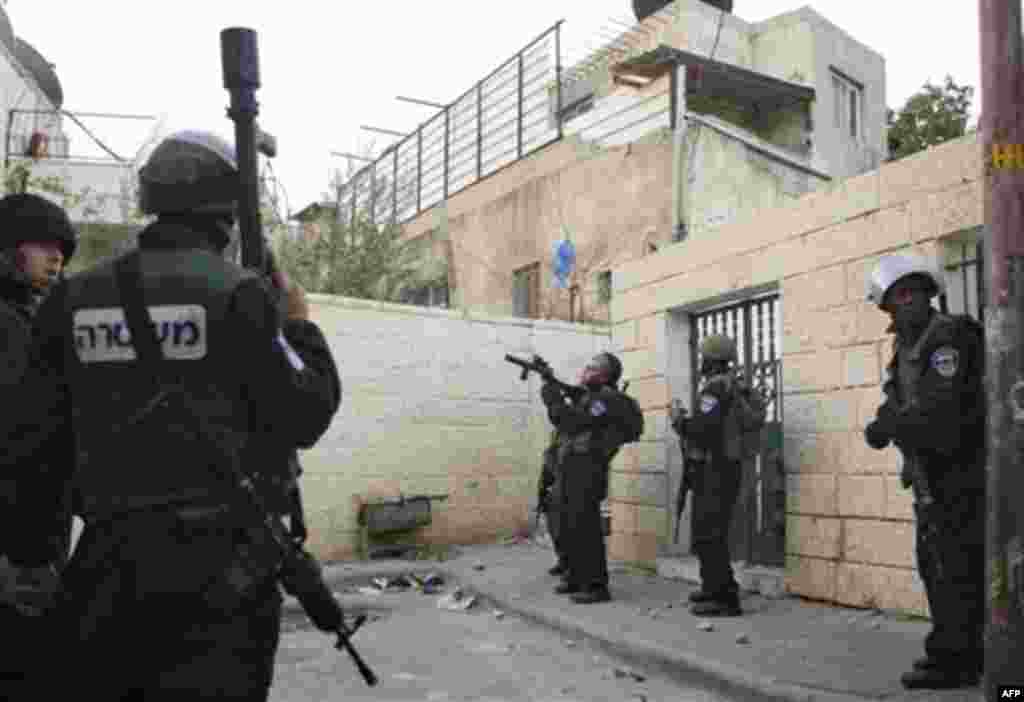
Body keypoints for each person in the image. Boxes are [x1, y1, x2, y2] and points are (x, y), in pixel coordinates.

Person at [3, 129, 342, 701]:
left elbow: (36, 446)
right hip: (223, 579)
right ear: (227, 212)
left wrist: (34, 564)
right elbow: (304, 414)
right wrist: (300, 324)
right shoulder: (240, 294)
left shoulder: (71, 299)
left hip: (109, 570)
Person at [863, 253, 985, 690]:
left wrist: (892, 424)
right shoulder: (906, 349)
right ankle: (960, 650)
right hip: (930, 474)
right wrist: (880, 422)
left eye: (915, 293)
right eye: (900, 295)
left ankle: (956, 658)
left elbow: (940, 407)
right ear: (889, 306)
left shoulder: (947, 338)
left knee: (955, 566)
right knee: (937, 564)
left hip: (962, 472)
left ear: (928, 296)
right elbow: (899, 402)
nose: (908, 302)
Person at [0, 192, 76, 700]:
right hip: (18, 547)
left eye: (63, 250)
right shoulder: (10, 326)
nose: (57, 258)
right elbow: (23, 439)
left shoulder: (33, 319)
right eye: (45, 245)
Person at [670, 334, 766, 617]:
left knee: (709, 533)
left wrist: (679, 422)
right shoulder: (731, 386)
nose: (701, 360)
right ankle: (715, 587)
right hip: (725, 468)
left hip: (714, 470)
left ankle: (724, 599)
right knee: (711, 532)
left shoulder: (714, 388)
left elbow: (703, 429)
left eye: (703, 356)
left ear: (710, 359)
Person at [543, 352, 643, 604]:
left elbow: (572, 422)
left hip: (587, 471)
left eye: (592, 367)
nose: (584, 370)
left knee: (585, 529)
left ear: (604, 375)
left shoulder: (605, 400)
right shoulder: (589, 397)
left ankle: (596, 586)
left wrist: (553, 400)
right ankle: (576, 578)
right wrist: (552, 382)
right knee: (570, 526)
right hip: (573, 469)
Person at [537, 429, 568, 576]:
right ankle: (562, 562)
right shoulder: (550, 453)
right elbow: (544, 477)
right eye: (556, 436)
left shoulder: (568, 453)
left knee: (565, 533)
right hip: (553, 498)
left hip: (566, 498)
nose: (557, 438)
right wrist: (542, 498)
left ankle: (569, 565)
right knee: (555, 533)